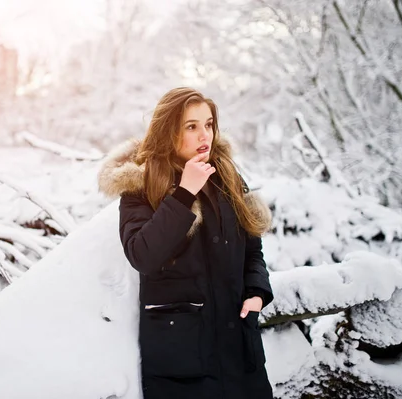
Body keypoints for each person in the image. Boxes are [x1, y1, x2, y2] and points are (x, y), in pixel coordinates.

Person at [98, 87, 274, 399]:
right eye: (190, 127)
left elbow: (251, 247)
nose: (203, 135)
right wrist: (184, 193)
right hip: (182, 361)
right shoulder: (142, 183)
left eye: (208, 124)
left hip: (239, 348)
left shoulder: (227, 175)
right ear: (168, 129)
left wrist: (257, 291)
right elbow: (143, 255)